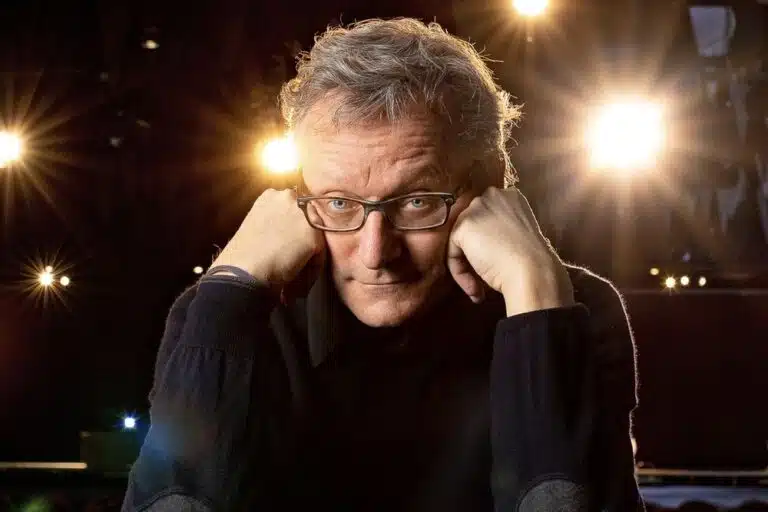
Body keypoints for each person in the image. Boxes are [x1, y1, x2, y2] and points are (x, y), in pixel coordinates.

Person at [121, 18, 643, 511]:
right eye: (339, 202)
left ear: (492, 182)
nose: (376, 253)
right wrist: (226, 293)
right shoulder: (222, 315)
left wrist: (535, 296)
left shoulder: (571, 308)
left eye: (416, 202)